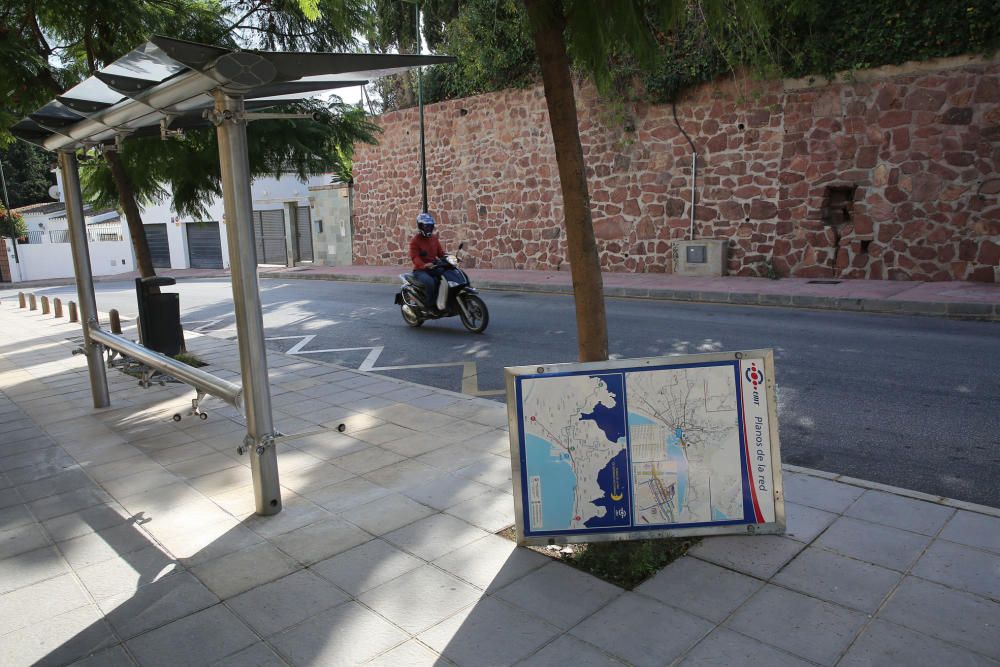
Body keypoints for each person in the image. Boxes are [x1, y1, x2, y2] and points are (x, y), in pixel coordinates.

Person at [409, 212, 446, 310]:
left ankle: (444, 300)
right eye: (426, 226)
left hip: (433, 267)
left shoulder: (434, 238)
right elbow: (415, 257)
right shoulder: (415, 241)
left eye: (430, 226)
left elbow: (441, 253)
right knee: (430, 282)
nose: (429, 228)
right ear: (421, 226)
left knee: (447, 274)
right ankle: (429, 305)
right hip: (420, 270)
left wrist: (450, 258)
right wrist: (424, 265)